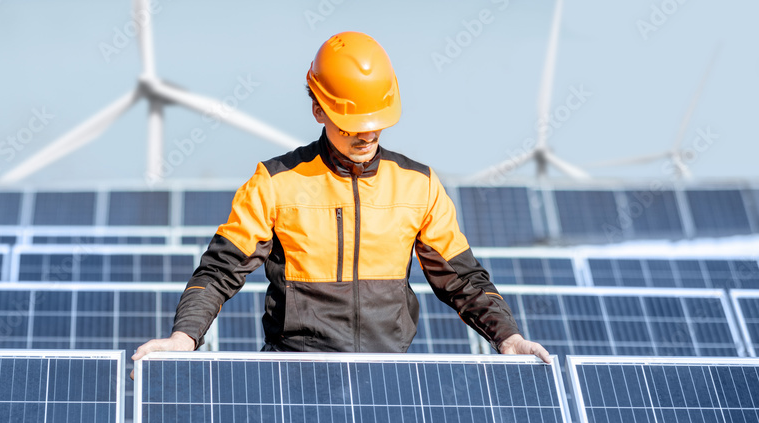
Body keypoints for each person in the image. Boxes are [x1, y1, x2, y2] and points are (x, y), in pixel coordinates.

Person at [134, 31, 550, 364]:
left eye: (375, 122)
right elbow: (220, 269)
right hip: (293, 375)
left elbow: (462, 279)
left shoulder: (418, 184)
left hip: (386, 377)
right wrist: (184, 336)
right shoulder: (275, 182)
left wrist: (507, 336)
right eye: (353, 123)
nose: (367, 134)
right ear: (318, 109)